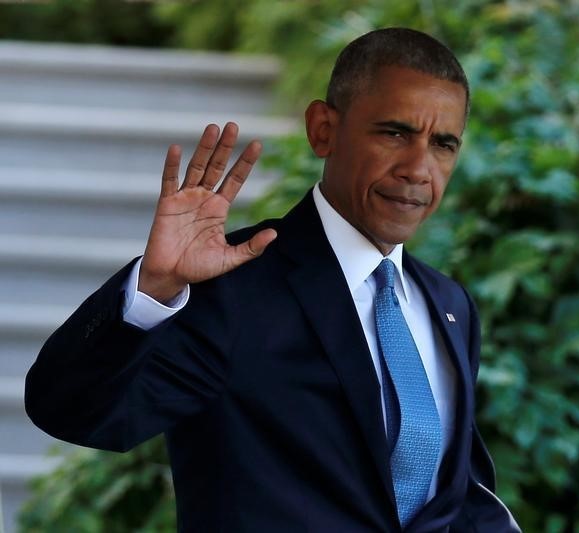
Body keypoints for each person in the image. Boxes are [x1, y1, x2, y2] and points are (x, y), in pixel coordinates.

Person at [25, 28, 520, 532]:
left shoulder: (448, 304)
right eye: (394, 133)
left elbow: (455, 499)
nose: (419, 168)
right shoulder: (231, 288)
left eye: (443, 144)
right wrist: (152, 290)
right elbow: (73, 412)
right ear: (323, 129)